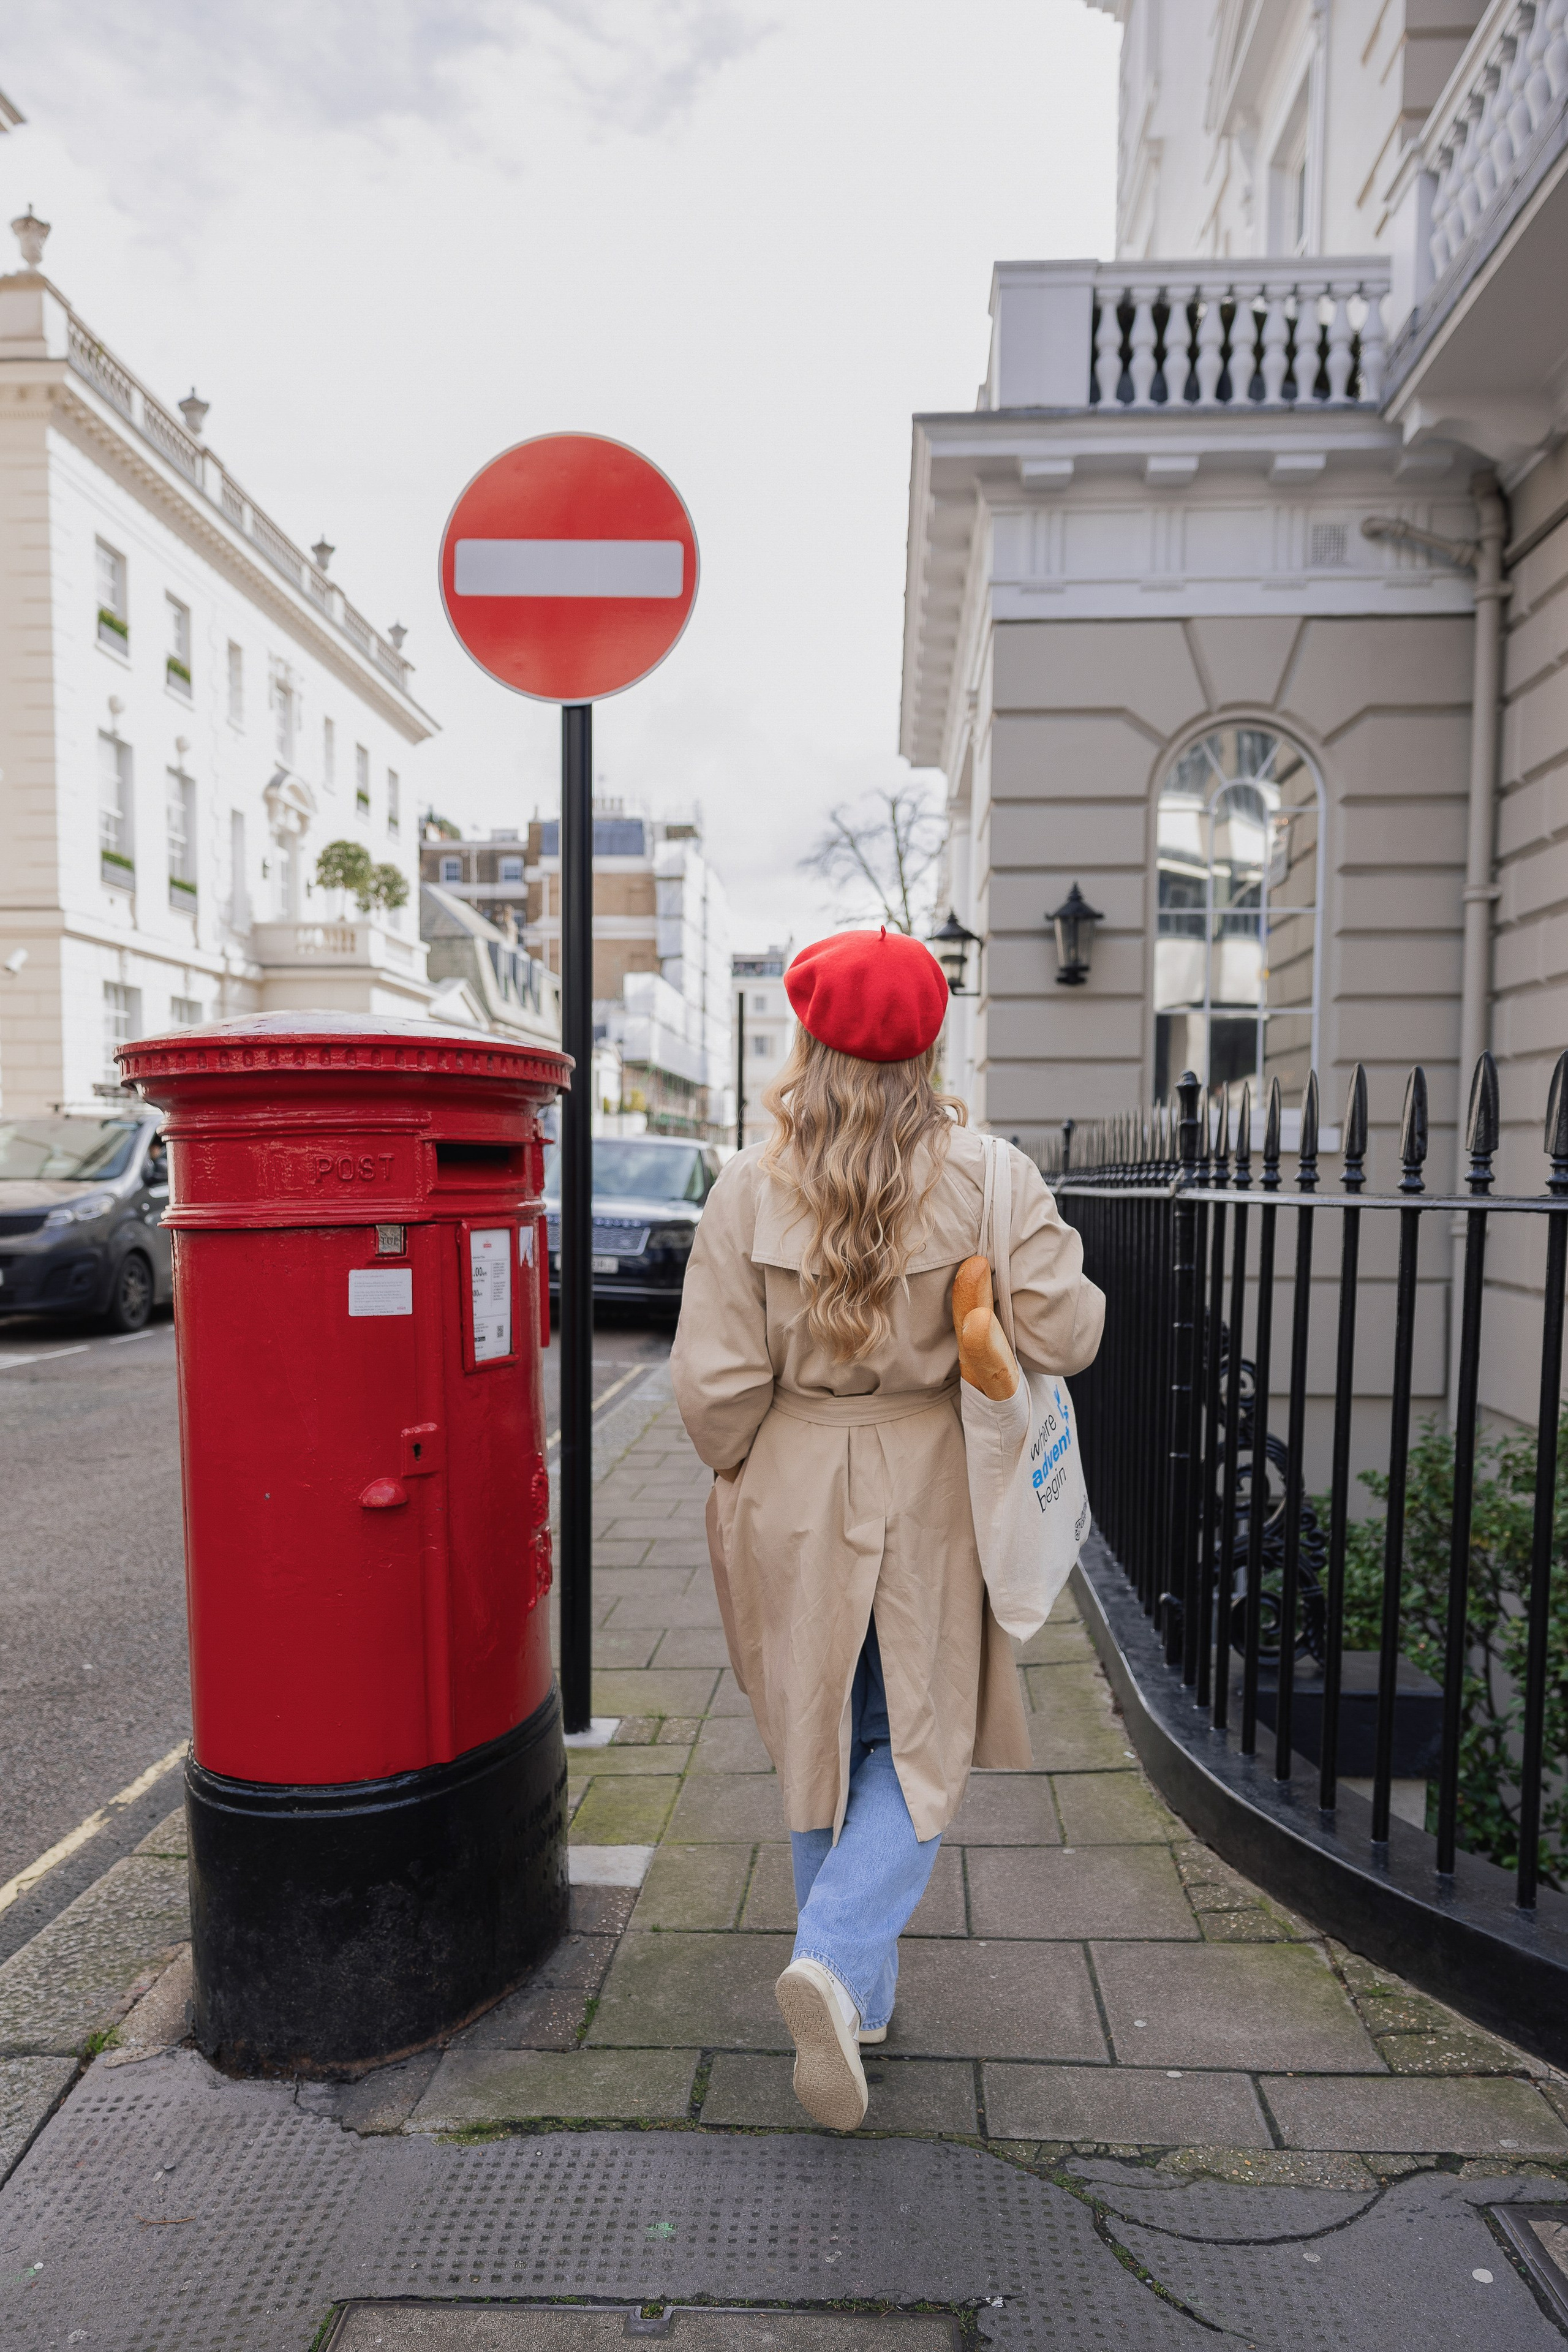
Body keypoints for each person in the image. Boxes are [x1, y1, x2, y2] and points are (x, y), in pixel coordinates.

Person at [670, 927, 1105, 2130]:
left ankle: (846, 1985)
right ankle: (839, 1970)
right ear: (931, 1044)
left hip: (793, 1479)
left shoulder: (748, 1185)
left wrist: (746, 1467)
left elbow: (712, 1394)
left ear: (802, 1042)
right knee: (920, 1743)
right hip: (933, 1483)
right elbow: (1067, 1339)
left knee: (820, 1734)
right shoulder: (993, 1176)